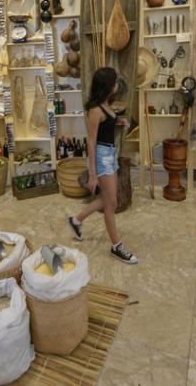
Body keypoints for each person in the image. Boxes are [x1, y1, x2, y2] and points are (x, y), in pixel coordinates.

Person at [67, 67, 138, 264]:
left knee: (108, 200)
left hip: (110, 154)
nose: (117, 85)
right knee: (111, 203)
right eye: (114, 82)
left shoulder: (106, 105)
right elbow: (91, 142)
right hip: (102, 157)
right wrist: (92, 174)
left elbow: (106, 125)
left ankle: (76, 220)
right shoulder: (95, 110)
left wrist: (119, 121)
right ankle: (116, 246)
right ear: (108, 86)